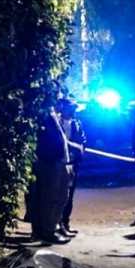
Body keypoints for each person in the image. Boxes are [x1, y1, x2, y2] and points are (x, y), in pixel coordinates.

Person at [26, 105, 71, 244]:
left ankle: (48, 229)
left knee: (59, 196)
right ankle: (47, 231)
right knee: (50, 197)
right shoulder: (43, 113)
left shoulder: (52, 114)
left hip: (57, 161)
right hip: (50, 162)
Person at [58, 98, 86, 235]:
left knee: (69, 196)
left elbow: (82, 140)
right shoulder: (57, 122)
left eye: (74, 109)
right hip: (59, 163)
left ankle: (65, 223)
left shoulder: (76, 124)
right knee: (58, 195)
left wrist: (78, 150)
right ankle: (55, 224)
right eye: (71, 108)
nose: (73, 111)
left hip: (72, 164)